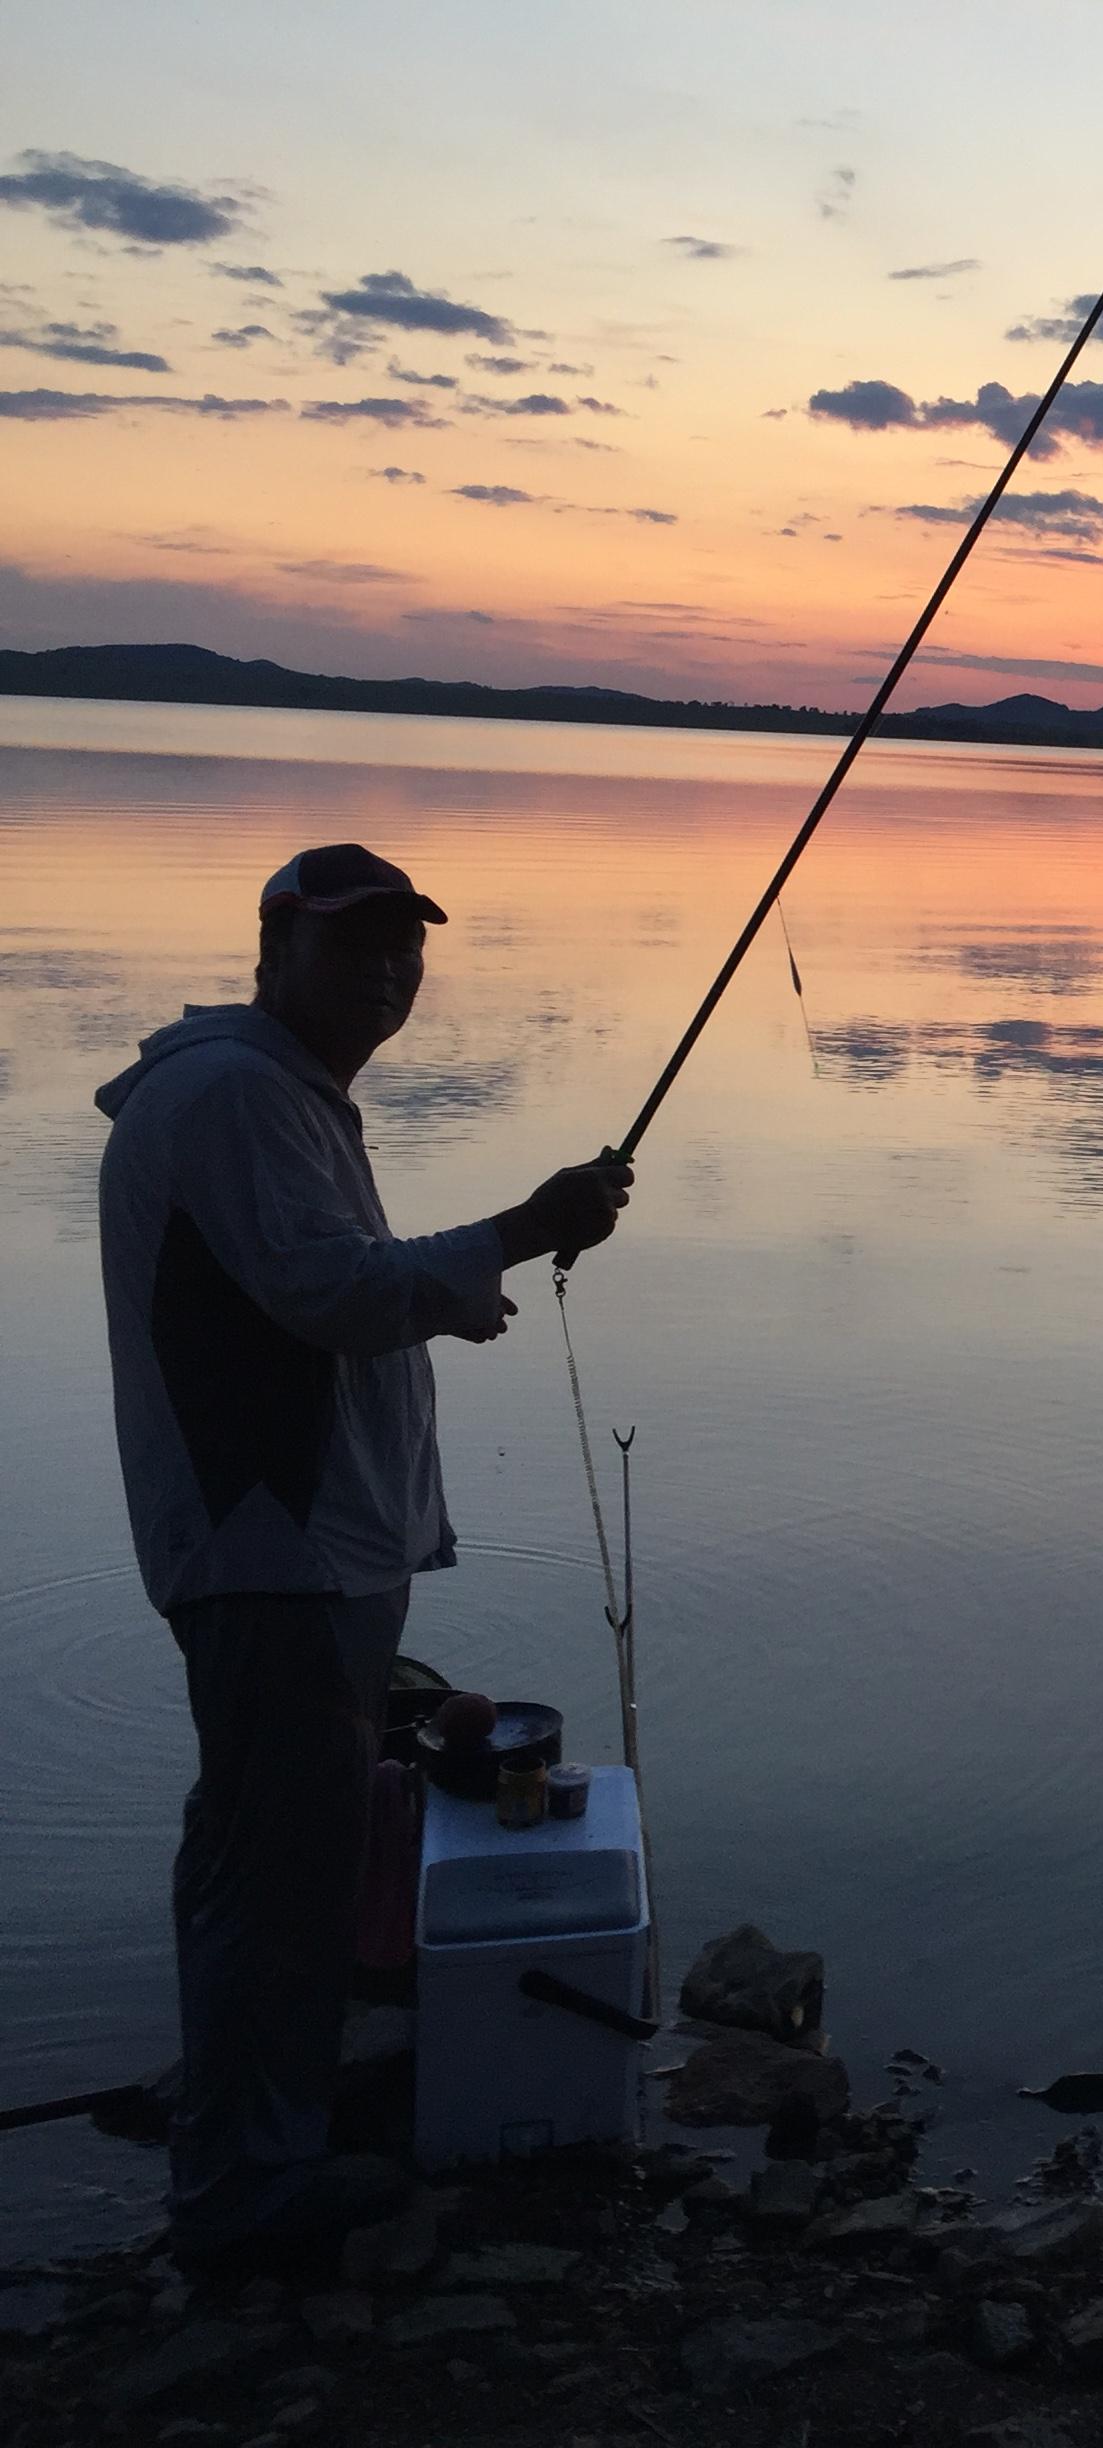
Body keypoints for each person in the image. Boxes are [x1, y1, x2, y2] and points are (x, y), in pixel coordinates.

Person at [93, 843, 634, 2265]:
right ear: (275, 945)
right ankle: (241, 2191)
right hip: (268, 1551)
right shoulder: (229, 1095)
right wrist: (528, 1226)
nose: (389, 971)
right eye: (355, 944)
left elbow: (301, 1293)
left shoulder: (286, 1099)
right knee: (274, 1865)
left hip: (308, 1550)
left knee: (270, 1853)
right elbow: (328, 1291)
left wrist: (448, 1299)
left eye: (406, 947)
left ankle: (247, 2120)